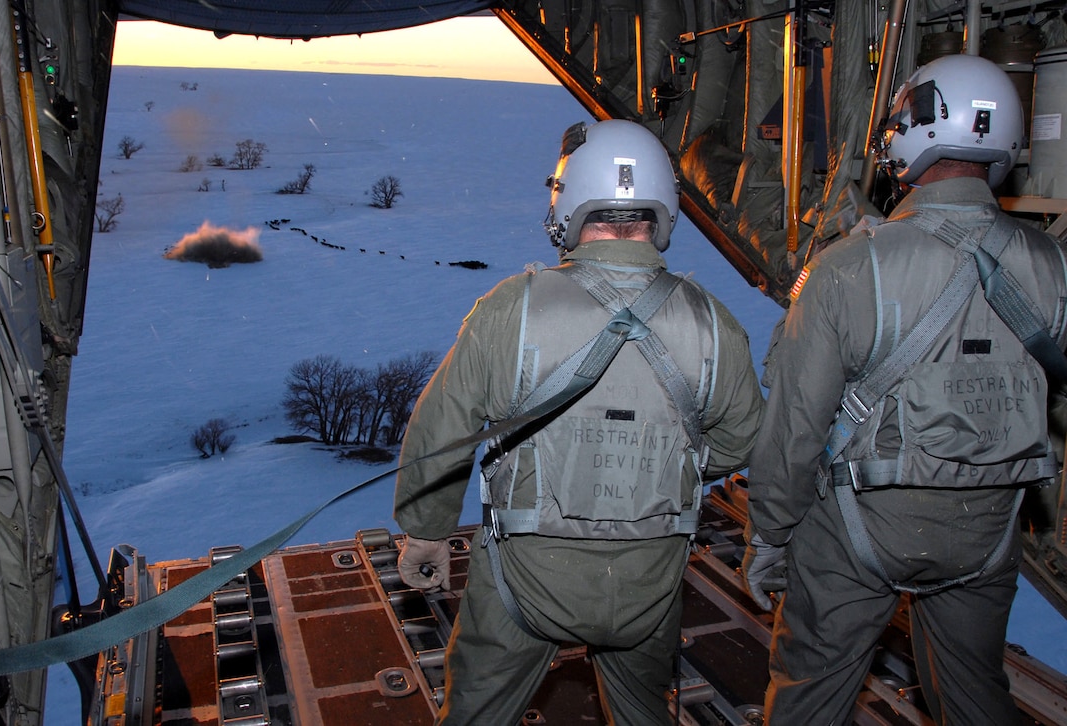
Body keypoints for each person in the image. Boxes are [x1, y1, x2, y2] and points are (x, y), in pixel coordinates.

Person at [393, 119, 763, 724]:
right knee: (643, 711)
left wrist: (426, 529)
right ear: (662, 206)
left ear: (568, 200)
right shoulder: (712, 322)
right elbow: (741, 437)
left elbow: (442, 431)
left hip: (524, 579)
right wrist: (669, 468)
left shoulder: (511, 308)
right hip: (649, 582)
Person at [741, 53, 1067, 725]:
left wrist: (769, 538)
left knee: (810, 694)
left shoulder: (848, 268)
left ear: (912, 131)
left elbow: (796, 430)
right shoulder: (1051, 264)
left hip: (862, 525)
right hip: (989, 526)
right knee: (975, 694)